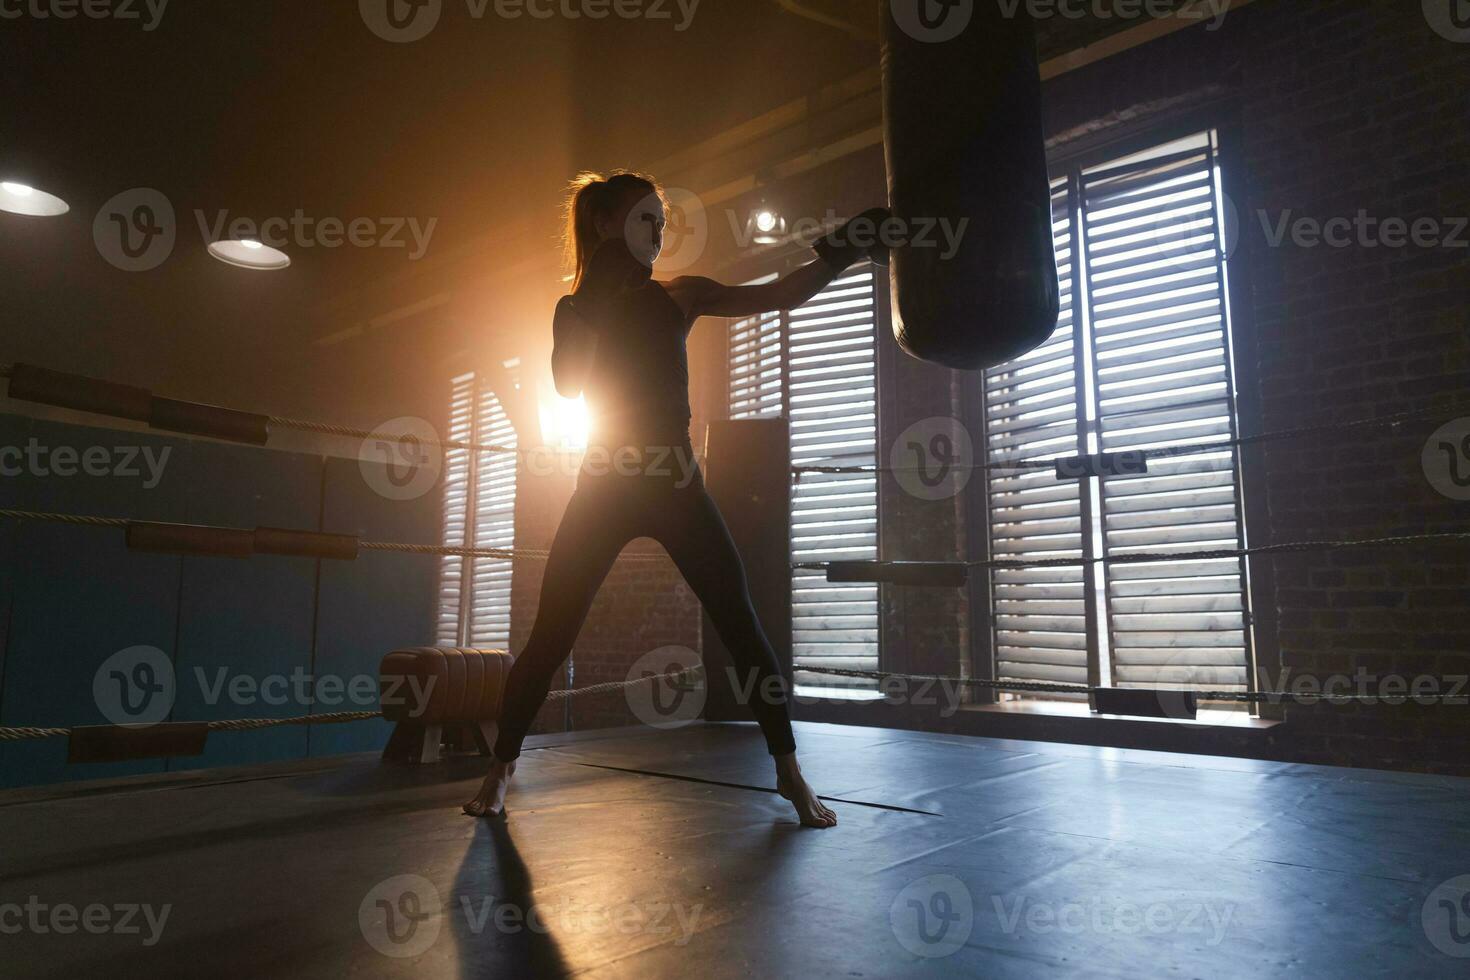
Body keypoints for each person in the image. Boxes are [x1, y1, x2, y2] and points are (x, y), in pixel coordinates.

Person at [464, 170, 888, 828]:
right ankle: (501, 769)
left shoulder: (679, 297)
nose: (657, 234)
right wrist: (595, 302)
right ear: (605, 224)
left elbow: (779, 294)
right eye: (643, 221)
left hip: (676, 482)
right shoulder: (573, 308)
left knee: (739, 619)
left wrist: (850, 244)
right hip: (605, 482)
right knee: (552, 634)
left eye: (662, 225)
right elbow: (569, 388)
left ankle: (790, 772)